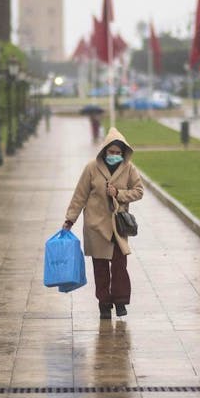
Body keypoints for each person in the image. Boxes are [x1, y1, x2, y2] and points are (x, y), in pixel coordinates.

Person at [63, 127, 144, 319]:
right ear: (105, 151)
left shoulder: (129, 169)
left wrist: (119, 194)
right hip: (96, 226)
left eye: (118, 152)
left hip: (117, 226)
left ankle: (121, 301)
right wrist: (70, 219)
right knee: (100, 268)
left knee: (119, 265)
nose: (114, 155)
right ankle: (104, 304)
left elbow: (139, 191)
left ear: (123, 153)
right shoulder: (92, 168)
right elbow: (80, 195)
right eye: (111, 151)